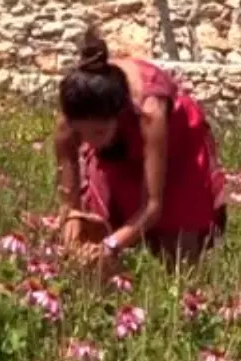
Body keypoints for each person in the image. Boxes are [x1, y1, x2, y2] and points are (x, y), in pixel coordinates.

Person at [54, 27, 226, 273]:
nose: (90, 142)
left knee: (177, 262)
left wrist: (111, 245)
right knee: (96, 232)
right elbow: (69, 203)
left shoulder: (150, 110)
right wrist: (73, 236)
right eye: (82, 134)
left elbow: (152, 206)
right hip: (118, 152)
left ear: (119, 115)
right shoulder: (75, 115)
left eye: (98, 133)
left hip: (175, 149)